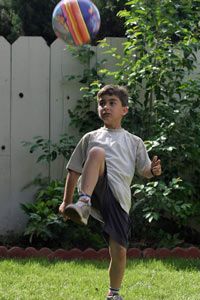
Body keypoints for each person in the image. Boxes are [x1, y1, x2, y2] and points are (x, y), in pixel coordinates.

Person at [59, 84, 162, 300]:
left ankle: (113, 294)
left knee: (120, 252)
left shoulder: (134, 141)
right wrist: (66, 203)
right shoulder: (91, 137)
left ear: (124, 109)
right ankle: (83, 203)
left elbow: (144, 171)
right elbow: (74, 170)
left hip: (119, 200)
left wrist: (153, 171)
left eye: (111, 103)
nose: (105, 107)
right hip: (95, 188)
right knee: (97, 152)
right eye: (101, 103)